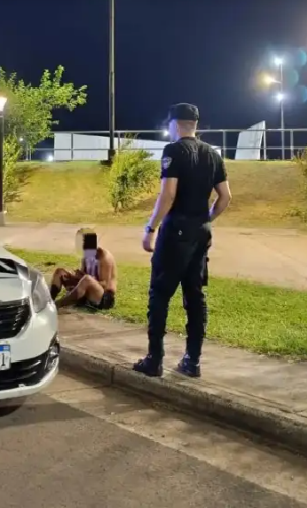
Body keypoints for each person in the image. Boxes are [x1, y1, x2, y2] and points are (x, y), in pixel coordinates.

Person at [134, 103, 232, 379]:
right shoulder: (213, 155)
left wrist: (150, 228)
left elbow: (168, 195)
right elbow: (225, 197)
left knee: (160, 294)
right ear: (195, 124)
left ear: (175, 124)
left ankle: (154, 359)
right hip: (201, 233)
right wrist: (207, 219)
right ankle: (192, 361)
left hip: (176, 231)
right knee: (195, 296)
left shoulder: (173, 151)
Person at [50, 229, 117, 311]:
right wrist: (76, 276)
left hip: (104, 298)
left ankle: (57, 305)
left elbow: (105, 284)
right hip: (88, 291)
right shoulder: (86, 257)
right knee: (60, 272)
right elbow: (83, 279)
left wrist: (84, 278)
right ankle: (48, 301)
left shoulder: (104, 257)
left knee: (87, 279)